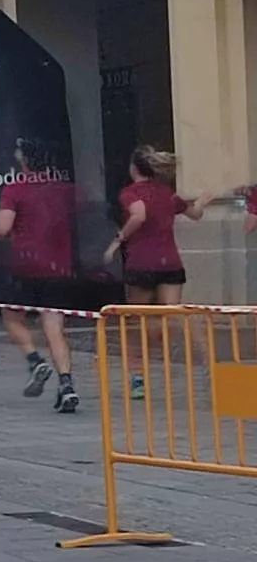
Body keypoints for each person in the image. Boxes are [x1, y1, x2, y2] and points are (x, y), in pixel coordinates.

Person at [106, 145, 210, 399]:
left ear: (133, 169)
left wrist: (118, 240)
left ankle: (138, 378)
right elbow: (195, 214)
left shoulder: (129, 193)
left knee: (135, 320)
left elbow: (139, 214)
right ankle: (208, 362)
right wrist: (201, 202)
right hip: (170, 263)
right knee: (176, 312)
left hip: (141, 263)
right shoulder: (168, 194)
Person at [0, 146, 78, 414]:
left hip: (25, 265)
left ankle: (35, 359)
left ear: (24, 162)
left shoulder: (15, 189)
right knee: (54, 327)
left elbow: (3, 227)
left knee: (12, 317)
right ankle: (67, 384)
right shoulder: (63, 189)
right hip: (58, 266)